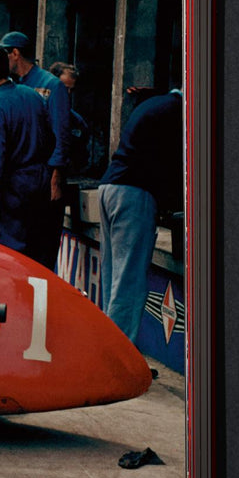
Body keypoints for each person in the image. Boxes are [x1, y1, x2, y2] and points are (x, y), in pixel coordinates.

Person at [97, 89, 184, 338]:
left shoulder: (156, 104)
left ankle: (110, 352)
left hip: (109, 187)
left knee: (113, 278)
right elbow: (179, 164)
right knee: (129, 283)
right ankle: (119, 363)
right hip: (133, 193)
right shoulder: (179, 112)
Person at [0, 44, 59, 269]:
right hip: (40, 188)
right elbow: (52, 139)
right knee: (39, 263)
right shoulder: (34, 96)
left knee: (10, 263)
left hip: (13, 196)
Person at [0, 31, 71, 202]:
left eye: (4, 55)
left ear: (15, 54)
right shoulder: (11, 84)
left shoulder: (51, 85)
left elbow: (61, 132)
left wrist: (56, 177)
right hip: (16, 177)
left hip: (43, 175)